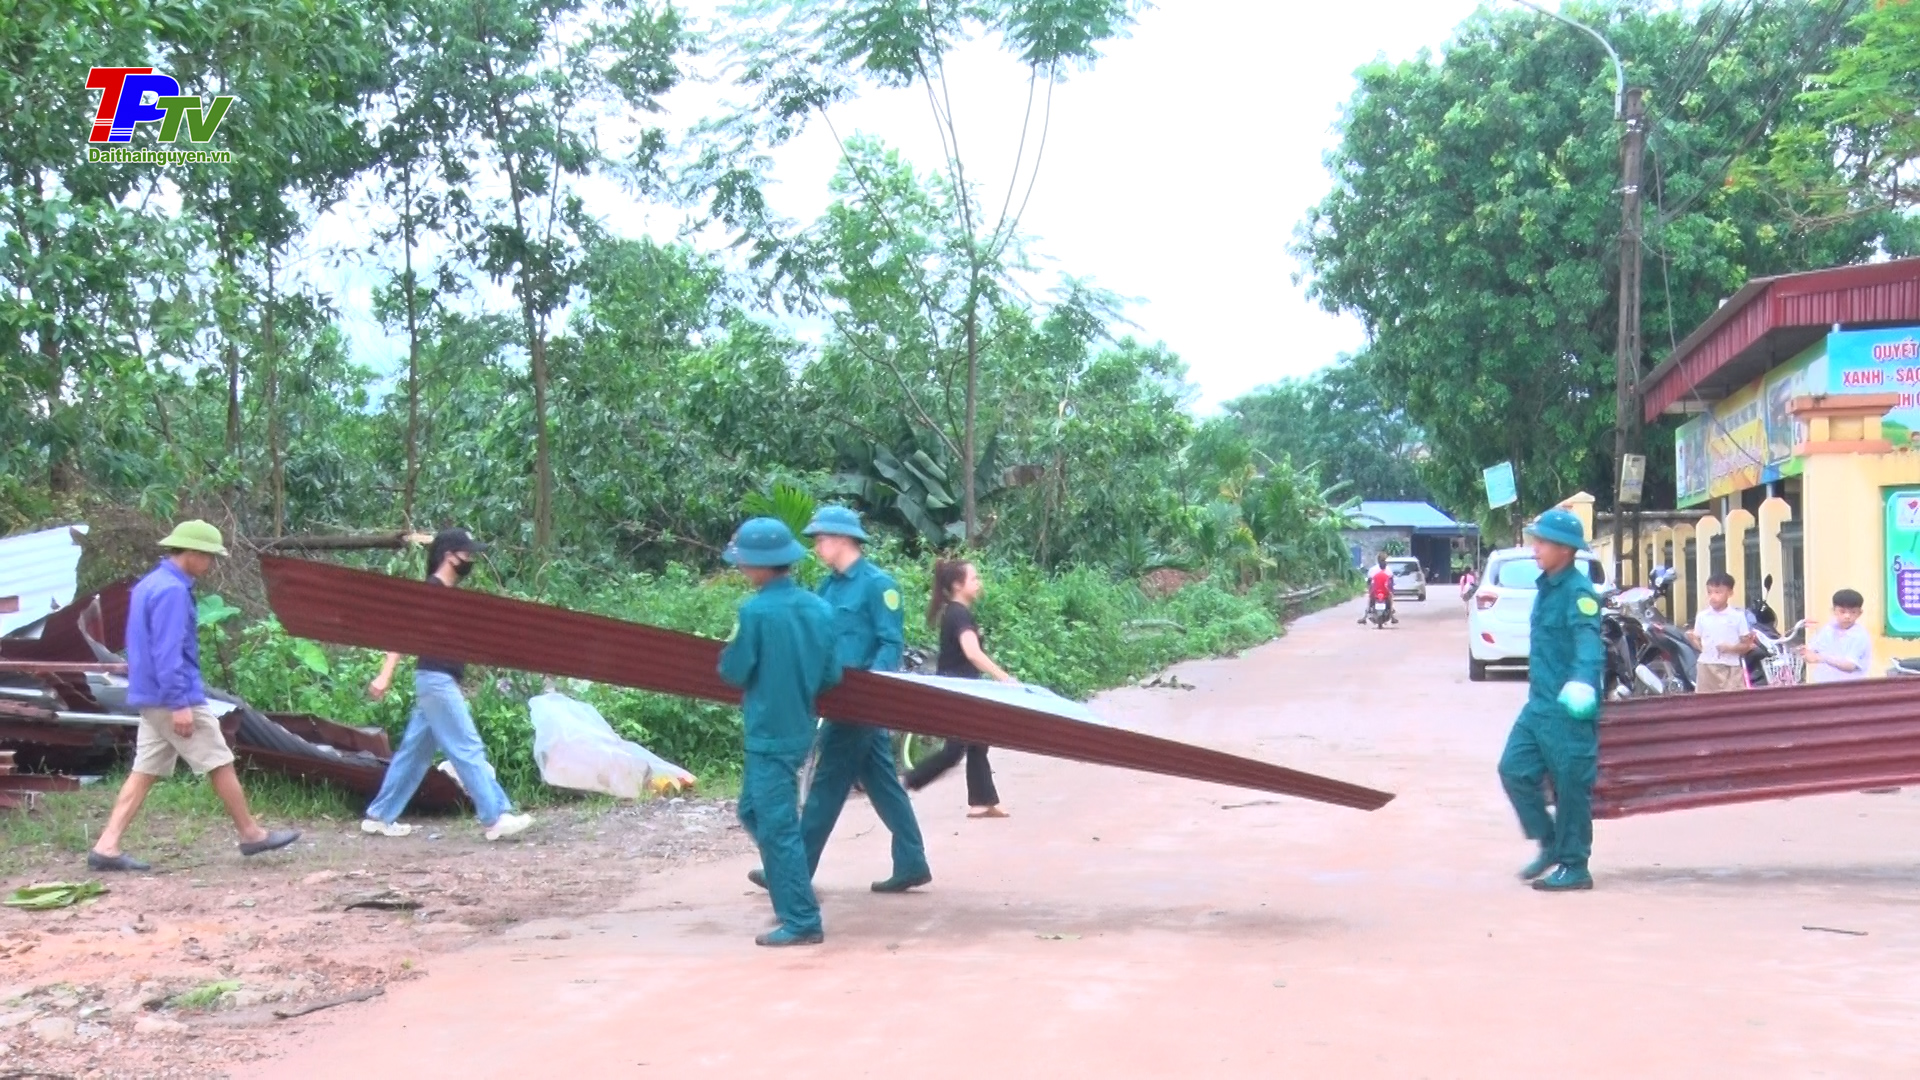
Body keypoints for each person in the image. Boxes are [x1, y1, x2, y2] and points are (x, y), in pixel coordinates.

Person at [87, 521, 300, 871]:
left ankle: (106, 846)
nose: (211, 564)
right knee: (219, 760)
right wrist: (179, 704)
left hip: (151, 693)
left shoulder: (150, 584)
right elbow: (167, 652)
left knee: (145, 770)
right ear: (192, 553)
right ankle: (251, 833)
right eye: (209, 557)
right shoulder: (171, 591)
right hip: (173, 695)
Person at [748, 506, 931, 895]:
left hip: (860, 704)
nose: (816, 547)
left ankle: (792, 871)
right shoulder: (827, 588)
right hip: (835, 698)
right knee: (883, 784)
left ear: (844, 539)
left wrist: (870, 695)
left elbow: (890, 645)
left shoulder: (879, 585)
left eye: (821, 539)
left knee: (826, 787)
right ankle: (912, 861)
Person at [719, 518, 843, 947]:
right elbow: (832, 674)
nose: (740, 569)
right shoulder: (820, 609)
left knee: (777, 826)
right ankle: (788, 878)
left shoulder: (754, 613)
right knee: (752, 811)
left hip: (768, 732)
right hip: (799, 726)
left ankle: (802, 918)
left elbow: (734, 671)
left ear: (758, 565)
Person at [362, 529, 532, 841]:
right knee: (467, 746)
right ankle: (495, 816)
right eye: (466, 553)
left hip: (438, 680)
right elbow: (401, 632)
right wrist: (385, 675)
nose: (470, 559)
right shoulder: (431, 591)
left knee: (413, 754)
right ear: (449, 556)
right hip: (436, 679)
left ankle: (379, 816)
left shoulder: (451, 596)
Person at [1496, 508, 1605, 893]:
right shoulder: (1546, 587)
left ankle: (1575, 865)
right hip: (1538, 705)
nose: (1535, 549)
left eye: (1542, 542)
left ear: (1566, 549)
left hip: (1568, 710)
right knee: (1513, 769)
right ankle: (1550, 842)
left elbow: (1588, 642)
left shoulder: (1578, 592)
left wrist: (1583, 681)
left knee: (1571, 787)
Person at [904, 559, 1017, 818]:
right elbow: (972, 653)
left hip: (964, 690)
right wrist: (1003, 677)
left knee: (978, 743)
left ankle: (982, 801)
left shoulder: (956, 612)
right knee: (954, 751)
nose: (979, 583)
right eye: (974, 579)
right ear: (957, 585)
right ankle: (909, 781)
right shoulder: (958, 615)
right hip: (957, 693)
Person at [1687, 571, 1754, 694]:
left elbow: (1746, 645)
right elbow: (1698, 642)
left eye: (1718, 592)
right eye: (1709, 592)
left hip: (1731, 668)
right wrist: (1694, 641)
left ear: (1730, 593)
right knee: (1705, 701)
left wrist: (1731, 648)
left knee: (1733, 701)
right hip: (1706, 667)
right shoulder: (1702, 616)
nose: (1713, 596)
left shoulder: (1737, 617)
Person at [1805, 588, 1872, 684]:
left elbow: (1850, 666)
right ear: (1834, 611)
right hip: (1823, 685)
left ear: (1860, 613)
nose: (1847, 616)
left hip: (1850, 687)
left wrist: (1822, 658)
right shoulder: (1827, 629)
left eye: (1853, 612)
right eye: (1842, 611)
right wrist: (1805, 653)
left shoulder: (1860, 635)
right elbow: (1812, 652)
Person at [1358, 553, 1396, 625]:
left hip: (1376, 590)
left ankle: (1365, 617)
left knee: (1370, 601)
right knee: (1390, 600)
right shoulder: (1388, 570)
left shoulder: (1373, 569)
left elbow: (1369, 582)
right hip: (1384, 591)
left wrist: (1369, 589)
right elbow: (1391, 583)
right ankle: (1392, 616)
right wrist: (1391, 591)